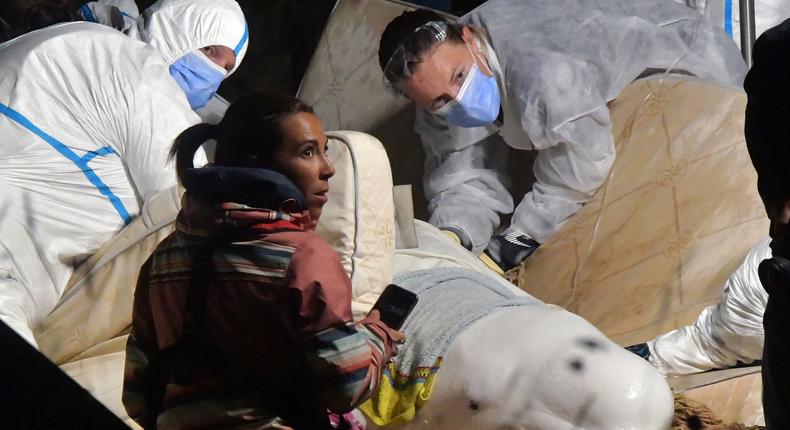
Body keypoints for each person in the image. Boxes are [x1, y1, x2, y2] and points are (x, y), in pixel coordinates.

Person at [378, 1, 747, 273]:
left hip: (684, 63)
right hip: (581, 91)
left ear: (472, 40)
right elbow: (460, 174)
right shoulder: (434, 87)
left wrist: (515, 241)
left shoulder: (544, 73)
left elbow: (581, 168)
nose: (457, 99)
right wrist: (453, 237)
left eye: (460, 77)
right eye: (439, 100)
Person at [122, 92, 403, 430]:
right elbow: (347, 384)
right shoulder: (303, 259)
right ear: (258, 163)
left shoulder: (162, 260)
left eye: (324, 152)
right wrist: (376, 336)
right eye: (308, 152)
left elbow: (137, 397)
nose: (327, 169)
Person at [0, 22, 207, 347]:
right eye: (211, 54)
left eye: (226, 68)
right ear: (182, 29)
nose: (213, 75)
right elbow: (190, 196)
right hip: (13, 256)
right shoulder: (133, 75)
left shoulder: (76, 39)